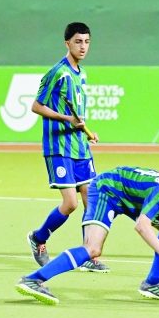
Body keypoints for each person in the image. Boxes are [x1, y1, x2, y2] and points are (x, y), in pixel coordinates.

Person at [15, 166, 159, 305]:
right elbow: (142, 227)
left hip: (133, 200)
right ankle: (34, 279)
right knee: (93, 248)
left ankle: (152, 284)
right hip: (109, 189)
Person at [25, 22, 109, 273]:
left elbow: (78, 114)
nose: (83, 47)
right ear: (67, 44)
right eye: (78, 42)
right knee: (70, 203)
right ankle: (38, 238)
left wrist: (88, 132)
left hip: (81, 147)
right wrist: (67, 120)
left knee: (90, 201)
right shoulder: (58, 72)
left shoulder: (81, 74)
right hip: (59, 147)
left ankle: (87, 255)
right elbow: (37, 106)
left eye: (87, 42)